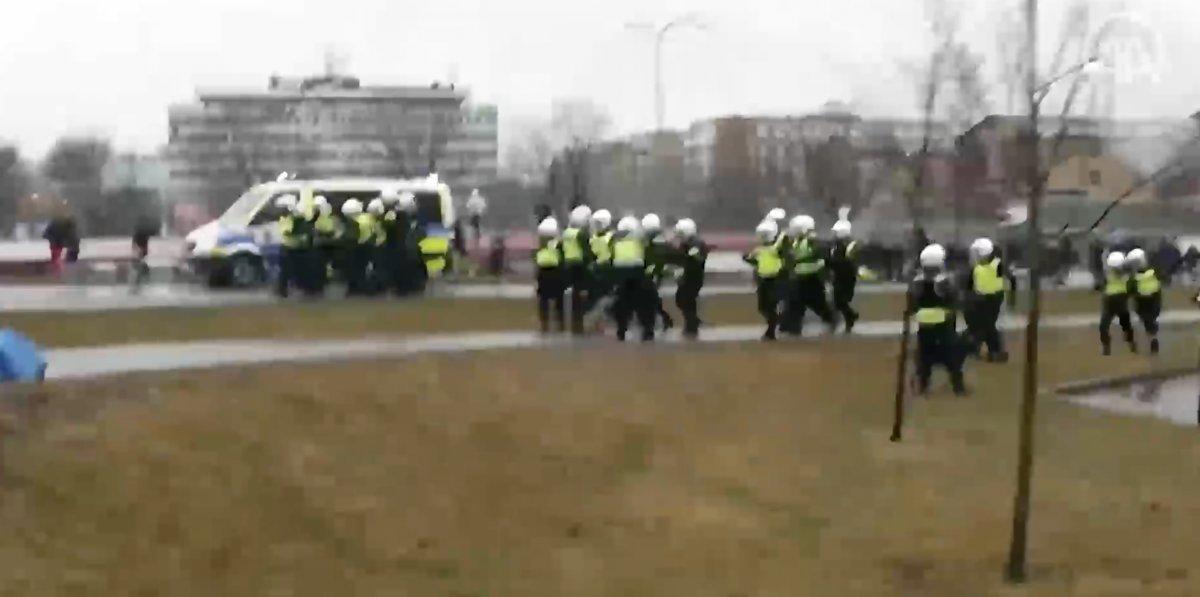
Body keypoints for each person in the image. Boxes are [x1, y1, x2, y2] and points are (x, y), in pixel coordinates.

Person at [908, 244, 968, 396]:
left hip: (924, 325)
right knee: (952, 357)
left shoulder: (917, 281)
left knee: (924, 357)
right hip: (944, 325)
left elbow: (912, 304)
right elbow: (954, 300)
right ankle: (958, 386)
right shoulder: (944, 281)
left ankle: (923, 386)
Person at [780, 214, 835, 336]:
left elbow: (820, 256)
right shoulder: (794, 242)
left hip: (812, 278)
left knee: (818, 303)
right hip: (799, 278)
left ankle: (831, 321)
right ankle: (791, 328)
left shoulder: (812, 241)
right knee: (794, 303)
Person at [610, 216, 655, 342]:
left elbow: (610, 255)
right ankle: (647, 331)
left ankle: (621, 330)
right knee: (644, 303)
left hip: (620, 274)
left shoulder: (614, 239)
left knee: (623, 304)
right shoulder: (640, 238)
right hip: (637, 272)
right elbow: (648, 253)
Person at [964, 237, 1009, 363]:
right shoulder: (990, 265)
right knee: (982, 326)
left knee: (985, 326)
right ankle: (986, 349)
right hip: (987, 298)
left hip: (989, 299)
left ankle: (993, 350)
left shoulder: (985, 267)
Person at [745, 220, 784, 341]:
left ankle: (771, 331)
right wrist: (748, 258)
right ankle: (776, 323)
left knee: (770, 306)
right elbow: (756, 262)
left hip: (775, 280)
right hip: (763, 281)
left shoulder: (778, 248)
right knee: (762, 307)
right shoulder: (760, 250)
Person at [672, 218, 708, 339]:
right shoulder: (686, 243)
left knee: (685, 300)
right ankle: (692, 323)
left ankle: (692, 325)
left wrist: (694, 255)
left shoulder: (696, 243)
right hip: (686, 277)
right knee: (685, 301)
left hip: (693, 277)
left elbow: (700, 258)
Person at [562, 205, 594, 334]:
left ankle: (572, 324)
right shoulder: (581, 234)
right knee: (582, 295)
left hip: (568, 264)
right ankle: (580, 325)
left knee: (573, 296)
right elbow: (587, 251)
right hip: (580, 266)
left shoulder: (567, 232)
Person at [1098, 251, 1137, 356]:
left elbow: (1131, 288)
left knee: (1126, 326)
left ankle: (1132, 344)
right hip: (1110, 302)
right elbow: (1103, 283)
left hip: (1120, 301)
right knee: (1103, 326)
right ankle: (1106, 347)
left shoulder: (1126, 274)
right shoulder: (1110, 273)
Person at [641, 213, 674, 332]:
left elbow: (659, 256)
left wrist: (654, 269)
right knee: (650, 297)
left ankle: (661, 321)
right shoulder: (654, 237)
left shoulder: (656, 238)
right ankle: (662, 320)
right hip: (651, 271)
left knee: (650, 297)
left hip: (653, 272)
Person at [827, 219, 861, 333]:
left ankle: (849, 317)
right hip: (839, 276)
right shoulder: (837, 245)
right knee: (838, 301)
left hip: (845, 277)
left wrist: (830, 263)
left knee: (839, 301)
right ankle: (849, 318)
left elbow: (845, 262)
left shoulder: (848, 246)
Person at [1126, 248, 1162, 355]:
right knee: (1150, 323)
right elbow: (1158, 287)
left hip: (1141, 303)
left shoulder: (1135, 277)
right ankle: (1153, 340)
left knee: (1140, 322)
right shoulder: (1153, 272)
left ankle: (1135, 345)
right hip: (1154, 302)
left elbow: (1130, 290)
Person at [533, 217, 566, 333]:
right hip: (555, 272)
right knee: (557, 301)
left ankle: (545, 324)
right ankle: (559, 324)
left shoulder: (540, 246)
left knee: (544, 301)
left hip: (544, 273)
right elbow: (563, 259)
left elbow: (536, 261)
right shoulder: (558, 244)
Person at [585, 209, 615, 329]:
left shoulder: (611, 237)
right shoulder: (592, 238)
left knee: (607, 298)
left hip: (608, 270)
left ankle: (604, 320)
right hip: (595, 271)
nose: (596, 226)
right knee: (595, 298)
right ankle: (598, 322)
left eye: (599, 223)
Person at [274, 194, 307, 298]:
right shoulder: (286, 219)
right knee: (286, 272)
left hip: (295, 248)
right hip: (288, 248)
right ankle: (282, 291)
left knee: (295, 270)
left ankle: (291, 289)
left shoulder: (293, 219)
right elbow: (287, 231)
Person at [311, 196, 341, 295]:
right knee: (318, 267)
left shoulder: (331, 219)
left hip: (328, 246)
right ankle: (319, 285)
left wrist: (323, 233)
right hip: (319, 246)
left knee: (325, 266)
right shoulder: (315, 219)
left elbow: (334, 232)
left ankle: (323, 284)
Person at [340, 199, 368, 296]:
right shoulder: (358, 221)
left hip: (354, 247)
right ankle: (355, 287)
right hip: (355, 247)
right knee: (356, 269)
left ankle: (355, 288)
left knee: (355, 269)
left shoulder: (355, 223)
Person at [130, 216, 158, 293]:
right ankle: (137, 285)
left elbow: (135, 241)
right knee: (139, 268)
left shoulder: (142, 232)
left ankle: (138, 284)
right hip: (140, 251)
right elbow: (135, 242)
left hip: (141, 251)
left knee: (139, 268)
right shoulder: (140, 232)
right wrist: (138, 250)